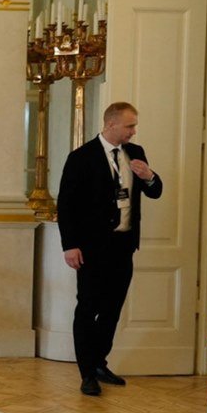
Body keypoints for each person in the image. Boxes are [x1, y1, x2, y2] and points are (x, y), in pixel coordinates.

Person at [57, 102, 163, 396]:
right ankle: (87, 372)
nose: (133, 131)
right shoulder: (81, 158)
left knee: (112, 309)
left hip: (123, 245)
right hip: (91, 249)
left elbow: (155, 191)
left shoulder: (136, 153)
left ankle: (100, 361)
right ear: (112, 124)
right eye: (130, 126)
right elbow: (66, 205)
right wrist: (70, 245)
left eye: (134, 126)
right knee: (88, 307)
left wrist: (148, 176)